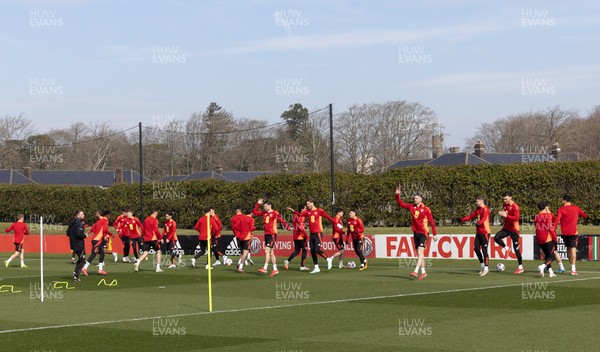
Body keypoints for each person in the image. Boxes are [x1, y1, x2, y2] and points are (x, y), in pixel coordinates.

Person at [396, 186, 437, 280]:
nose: (414, 199)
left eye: (416, 198)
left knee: (420, 251)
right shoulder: (412, 207)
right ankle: (423, 272)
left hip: (424, 233)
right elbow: (400, 203)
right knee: (419, 254)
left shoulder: (426, 209)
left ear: (421, 199)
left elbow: (432, 222)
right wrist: (397, 195)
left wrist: (435, 234)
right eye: (414, 198)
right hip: (416, 233)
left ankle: (416, 270)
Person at [253, 199, 290, 277]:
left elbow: (281, 220)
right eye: (264, 206)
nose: (265, 208)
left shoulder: (275, 213)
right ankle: (275, 269)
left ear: (270, 205)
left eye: (266, 206)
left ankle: (265, 268)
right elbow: (255, 213)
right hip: (266, 234)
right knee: (271, 253)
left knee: (267, 250)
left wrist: (288, 227)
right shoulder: (264, 213)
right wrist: (257, 204)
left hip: (272, 234)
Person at [299, 200, 339, 274]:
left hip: (318, 233)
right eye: (306, 204)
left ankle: (328, 259)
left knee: (317, 249)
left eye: (308, 204)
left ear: (312, 203)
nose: (307, 205)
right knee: (312, 251)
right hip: (311, 234)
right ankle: (316, 267)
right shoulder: (307, 212)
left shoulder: (319, 210)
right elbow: (300, 214)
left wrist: (336, 224)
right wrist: (301, 222)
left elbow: (328, 217)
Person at [554, 194, 588, 275]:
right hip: (573, 233)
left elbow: (556, 221)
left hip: (565, 233)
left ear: (565, 200)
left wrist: (553, 229)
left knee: (569, 249)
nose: (561, 201)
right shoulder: (576, 208)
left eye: (562, 200)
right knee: (573, 249)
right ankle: (573, 269)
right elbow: (585, 216)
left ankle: (572, 267)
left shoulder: (561, 210)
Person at [493, 192, 524, 274]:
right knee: (496, 237)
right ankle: (507, 248)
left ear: (510, 197)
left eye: (506, 199)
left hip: (514, 230)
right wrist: (502, 215)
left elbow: (516, 218)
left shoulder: (515, 206)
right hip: (506, 228)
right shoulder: (505, 205)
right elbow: (506, 214)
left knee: (516, 249)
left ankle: (520, 267)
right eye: (504, 199)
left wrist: (506, 216)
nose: (505, 200)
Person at [460, 196, 492, 276]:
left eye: (477, 201)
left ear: (481, 201)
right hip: (478, 232)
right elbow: (471, 216)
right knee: (476, 249)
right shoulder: (478, 209)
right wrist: (463, 219)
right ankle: (482, 266)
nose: (476, 203)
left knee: (484, 250)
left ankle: (486, 268)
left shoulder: (486, 209)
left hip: (485, 232)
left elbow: (484, 218)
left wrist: (478, 223)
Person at [81, 210, 111, 276]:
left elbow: (93, 228)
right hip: (98, 240)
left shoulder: (99, 221)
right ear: (107, 215)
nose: (110, 217)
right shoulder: (105, 220)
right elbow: (105, 230)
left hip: (96, 239)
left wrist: (88, 233)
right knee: (93, 254)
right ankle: (84, 268)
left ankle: (100, 269)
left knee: (102, 254)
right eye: (110, 215)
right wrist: (109, 234)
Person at [535, 201, 558, 278]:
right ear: (545, 207)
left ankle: (551, 271)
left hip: (540, 238)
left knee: (547, 255)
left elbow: (537, 228)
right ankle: (543, 266)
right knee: (552, 256)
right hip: (547, 238)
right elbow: (550, 227)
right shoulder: (547, 215)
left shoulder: (536, 216)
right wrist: (555, 238)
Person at [284, 205, 310, 271]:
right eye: (305, 208)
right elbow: (301, 227)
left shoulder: (295, 216)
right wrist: (306, 236)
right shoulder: (301, 216)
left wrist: (293, 210)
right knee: (305, 250)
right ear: (301, 209)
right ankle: (302, 266)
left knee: (297, 251)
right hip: (301, 236)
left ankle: (287, 261)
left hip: (295, 236)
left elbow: (297, 225)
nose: (306, 209)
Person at [231, 207, 255, 273]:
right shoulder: (251, 219)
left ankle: (239, 263)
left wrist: (241, 229)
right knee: (245, 252)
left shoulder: (242, 218)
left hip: (241, 236)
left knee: (243, 252)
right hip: (247, 237)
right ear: (251, 213)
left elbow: (236, 226)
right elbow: (252, 228)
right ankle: (240, 267)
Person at [67, 210, 87, 281]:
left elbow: (67, 233)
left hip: (73, 244)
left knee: (81, 259)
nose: (83, 215)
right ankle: (76, 275)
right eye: (82, 214)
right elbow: (79, 234)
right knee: (82, 259)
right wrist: (85, 235)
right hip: (79, 244)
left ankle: (75, 273)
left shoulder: (72, 223)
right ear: (78, 215)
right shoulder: (80, 223)